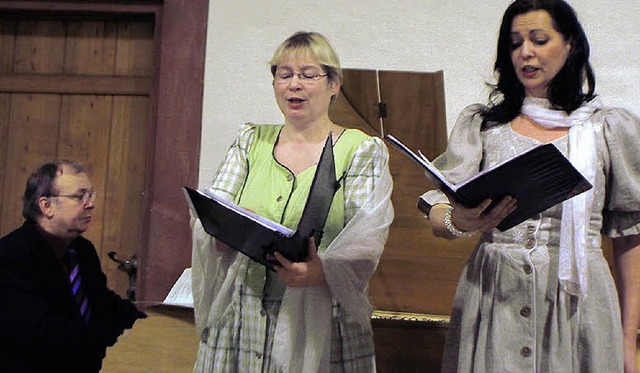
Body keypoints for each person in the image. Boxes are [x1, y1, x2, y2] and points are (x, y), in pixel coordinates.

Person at [418, 1, 640, 372]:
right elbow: (437, 213)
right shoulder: (484, 126)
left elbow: (629, 237)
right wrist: (461, 219)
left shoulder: (607, 129)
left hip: (579, 305)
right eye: (515, 42)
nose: (526, 52)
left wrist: (628, 339)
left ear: (570, 45)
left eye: (539, 39)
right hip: (494, 297)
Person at [190, 31, 394, 372]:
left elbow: (366, 237)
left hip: (323, 315)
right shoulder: (250, 140)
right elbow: (213, 208)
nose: (294, 84)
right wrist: (220, 231)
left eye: (308, 74)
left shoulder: (360, 149)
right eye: (284, 75)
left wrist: (322, 270)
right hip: (243, 311)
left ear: (333, 84)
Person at [0, 160, 146, 372]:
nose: (90, 204)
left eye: (91, 195)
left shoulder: (82, 250)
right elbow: (41, 334)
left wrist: (146, 323)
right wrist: (104, 342)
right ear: (46, 205)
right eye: (80, 197)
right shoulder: (10, 256)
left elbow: (103, 303)